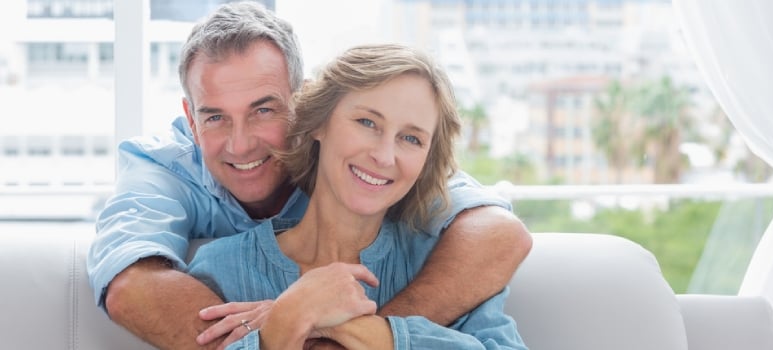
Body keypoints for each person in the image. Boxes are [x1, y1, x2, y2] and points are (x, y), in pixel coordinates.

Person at [87, 2, 531, 349]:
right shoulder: (208, 244)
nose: (241, 145)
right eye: (216, 117)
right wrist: (277, 330)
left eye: (263, 110)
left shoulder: (432, 255)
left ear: (302, 108)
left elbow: (499, 233)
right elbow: (130, 285)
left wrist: (379, 335)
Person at [188, 42, 526, 349]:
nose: (384, 156)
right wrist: (285, 321)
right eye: (367, 122)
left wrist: (372, 333)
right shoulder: (221, 268)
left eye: (411, 139)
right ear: (318, 122)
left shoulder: (445, 265)